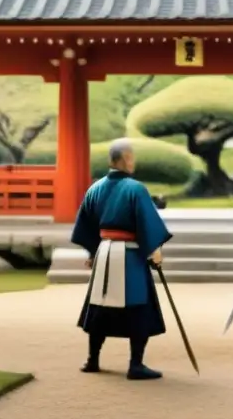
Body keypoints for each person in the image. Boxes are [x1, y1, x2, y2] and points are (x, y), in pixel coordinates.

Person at [71, 138, 172, 380]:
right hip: (129, 255)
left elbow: (85, 225)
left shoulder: (94, 189)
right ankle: (135, 365)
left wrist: (92, 253)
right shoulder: (135, 188)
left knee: (99, 306)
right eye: (132, 157)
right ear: (125, 160)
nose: (133, 162)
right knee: (139, 308)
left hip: (105, 253)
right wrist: (154, 249)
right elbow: (146, 221)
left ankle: (92, 359)